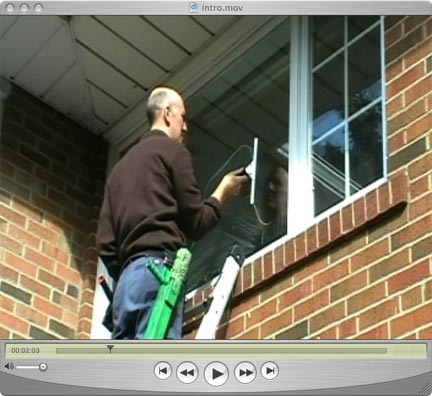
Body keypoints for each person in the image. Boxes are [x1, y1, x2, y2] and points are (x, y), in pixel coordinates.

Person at [96, 85, 248, 339]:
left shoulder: (119, 171)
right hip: (158, 275)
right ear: (167, 113)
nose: (186, 127)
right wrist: (223, 192)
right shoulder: (172, 152)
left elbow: (105, 245)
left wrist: (131, 269)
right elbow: (196, 222)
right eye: (183, 116)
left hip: (124, 287)